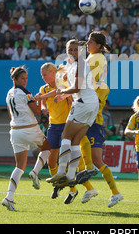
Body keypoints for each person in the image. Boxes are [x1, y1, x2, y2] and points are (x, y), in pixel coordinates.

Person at [31, 62, 97, 204]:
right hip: (53, 126)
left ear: (53, 73)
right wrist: (43, 106)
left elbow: (58, 93)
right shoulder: (43, 89)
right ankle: (59, 186)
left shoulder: (63, 84)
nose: (43, 78)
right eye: (42, 75)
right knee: (51, 161)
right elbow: (44, 101)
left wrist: (46, 97)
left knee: (68, 162)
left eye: (45, 75)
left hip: (66, 125)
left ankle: (86, 188)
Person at [41, 39, 99, 188]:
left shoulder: (81, 64)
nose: (73, 52)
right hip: (91, 104)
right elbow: (73, 85)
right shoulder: (72, 65)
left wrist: (62, 91)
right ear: (66, 50)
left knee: (65, 136)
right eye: (70, 49)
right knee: (75, 140)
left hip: (83, 103)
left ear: (81, 51)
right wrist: (64, 95)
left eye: (76, 49)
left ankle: (61, 170)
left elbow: (77, 87)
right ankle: (71, 174)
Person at [81, 31, 123, 208]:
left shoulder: (96, 60)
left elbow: (85, 81)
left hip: (92, 120)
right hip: (87, 118)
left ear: (98, 45)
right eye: (88, 40)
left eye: (90, 41)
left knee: (94, 160)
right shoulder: (92, 60)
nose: (87, 43)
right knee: (79, 157)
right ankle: (93, 188)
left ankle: (113, 192)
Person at [1, 66, 46, 211]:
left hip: (15, 130)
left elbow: (10, 114)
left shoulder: (8, 93)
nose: (25, 81)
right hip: (29, 128)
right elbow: (38, 111)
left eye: (26, 78)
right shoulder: (25, 92)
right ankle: (35, 172)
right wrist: (38, 100)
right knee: (49, 148)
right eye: (22, 78)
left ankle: (9, 197)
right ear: (14, 79)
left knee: (19, 166)